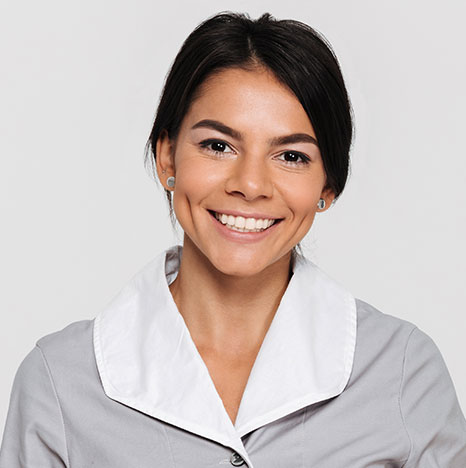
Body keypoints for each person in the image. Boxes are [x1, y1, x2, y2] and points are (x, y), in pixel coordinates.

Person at [1, 11, 465, 468]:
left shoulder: (403, 372)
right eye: (218, 146)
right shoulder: (60, 383)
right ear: (167, 158)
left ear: (328, 186)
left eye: (291, 155)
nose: (250, 184)